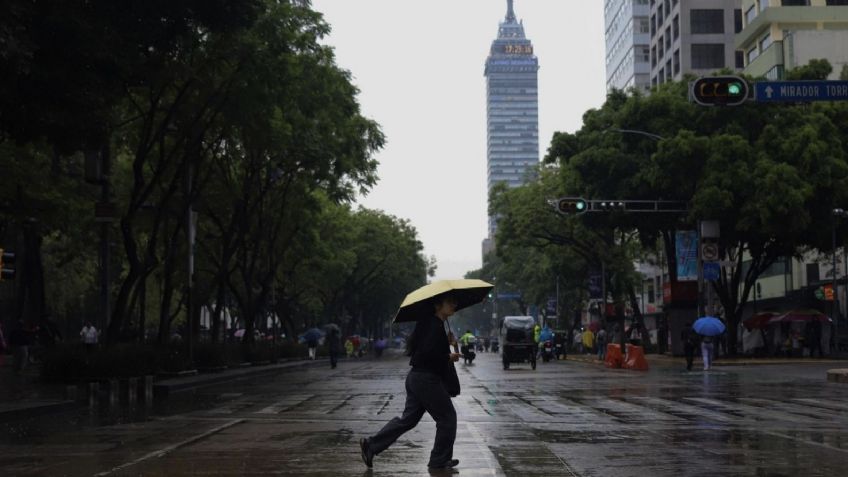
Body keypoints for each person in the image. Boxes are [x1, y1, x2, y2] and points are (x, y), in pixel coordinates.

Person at [359, 296, 462, 470]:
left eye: (454, 302)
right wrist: (447, 356)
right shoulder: (433, 326)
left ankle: (371, 445)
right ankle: (438, 460)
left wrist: (454, 345)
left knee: (408, 420)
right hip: (426, 380)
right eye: (450, 302)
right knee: (447, 418)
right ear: (438, 306)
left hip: (417, 378)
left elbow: (446, 358)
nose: (454, 304)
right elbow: (427, 355)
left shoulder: (434, 325)